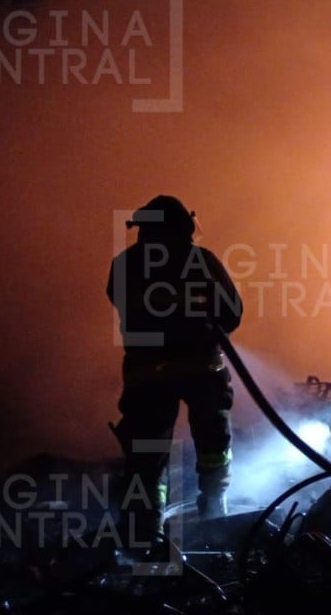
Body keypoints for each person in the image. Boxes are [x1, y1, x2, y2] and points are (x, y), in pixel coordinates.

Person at [107, 195, 242, 549]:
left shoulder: (125, 264)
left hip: (147, 376)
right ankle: (215, 511)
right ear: (185, 227)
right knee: (213, 444)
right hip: (204, 372)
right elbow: (233, 314)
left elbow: (118, 300)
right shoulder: (202, 260)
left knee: (148, 454)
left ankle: (146, 534)